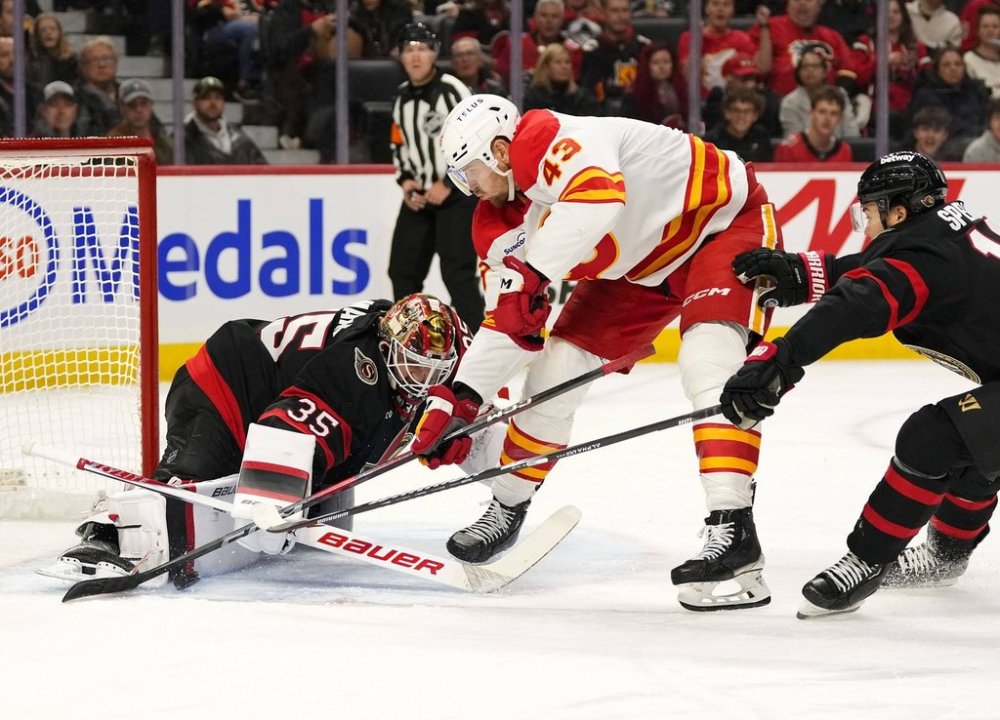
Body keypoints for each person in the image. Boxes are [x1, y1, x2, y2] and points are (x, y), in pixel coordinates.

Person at [416, 93, 785, 612]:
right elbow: (510, 321)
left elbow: (599, 198)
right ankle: (508, 504)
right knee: (553, 369)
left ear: (500, 150)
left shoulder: (544, 138)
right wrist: (458, 397)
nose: (467, 187)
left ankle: (733, 527)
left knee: (708, 363)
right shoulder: (498, 226)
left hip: (721, 229)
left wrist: (536, 272)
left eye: (468, 171)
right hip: (638, 271)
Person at [719, 151, 1000, 618]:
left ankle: (868, 559)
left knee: (931, 437)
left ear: (899, 211)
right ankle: (946, 557)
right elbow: (878, 266)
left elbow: (862, 300)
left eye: (868, 212)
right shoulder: (944, 229)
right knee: (973, 438)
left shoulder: (921, 256)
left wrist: (783, 359)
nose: (865, 223)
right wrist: (803, 274)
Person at [51, 294, 475, 585]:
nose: (425, 380)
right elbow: (284, 427)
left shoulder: (430, 344)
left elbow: (477, 375)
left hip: (271, 388)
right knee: (185, 488)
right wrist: (268, 501)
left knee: (328, 508)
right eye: (415, 367)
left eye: (436, 371)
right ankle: (105, 536)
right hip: (225, 388)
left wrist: (458, 414)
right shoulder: (353, 372)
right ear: (386, 347)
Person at [388, 23, 484, 333]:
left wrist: (449, 180)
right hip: (420, 197)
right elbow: (398, 143)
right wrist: (406, 181)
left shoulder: (452, 89)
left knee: (457, 273)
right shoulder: (401, 97)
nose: (415, 56)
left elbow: (475, 137)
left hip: (455, 195)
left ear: (434, 54)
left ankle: (476, 345)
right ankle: (409, 339)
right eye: (409, 50)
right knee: (401, 271)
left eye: (422, 49)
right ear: (401, 57)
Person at [677, 0, 769, 100]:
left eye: (726, 5)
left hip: (734, 101)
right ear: (707, 9)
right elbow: (690, 79)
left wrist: (764, 27)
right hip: (702, 102)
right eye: (715, 4)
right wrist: (698, 39)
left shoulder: (741, 38)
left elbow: (763, 68)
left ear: (732, 11)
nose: (720, 9)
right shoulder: (689, 37)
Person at [908, 47, 990, 154]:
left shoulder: (977, 91)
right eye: (946, 65)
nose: (953, 68)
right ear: (937, 69)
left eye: (958, 64)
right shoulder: (926, 94)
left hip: (977, 141)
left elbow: (986, 119)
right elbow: (937, 124)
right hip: (944, 144)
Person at [490, 0, 582, 87]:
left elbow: (573, 85)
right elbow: (500, 75)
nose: (549, 21)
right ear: (536, 18)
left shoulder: (572, 50)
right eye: (544, 15)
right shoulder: (516, 45)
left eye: (554, 16)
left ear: (562, 20)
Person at [579, 0, 649, 113]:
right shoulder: (593, 50)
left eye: (624, 10)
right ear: (603, 14)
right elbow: (587, 92)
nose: (620, 16)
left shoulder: (643, 47)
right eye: (614, 11)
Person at [778, 43, 861, 138]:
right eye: (805, 66)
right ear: (798, 72)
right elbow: (793, 139)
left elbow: (852, 133)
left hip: (839, 149)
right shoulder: (789, 103)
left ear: (825, 71)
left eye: (815, 66)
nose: (810, 70)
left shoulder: (840, 94)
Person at [184, 75, 269, 165]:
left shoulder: (238, 138)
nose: (213, 103)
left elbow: (263, 170)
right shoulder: (183, 139)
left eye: (218, 97)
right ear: (195, 103)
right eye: (206, 98)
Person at [774, 86, 854, 162]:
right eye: (822, 112)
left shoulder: (844, 151)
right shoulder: (789, 148)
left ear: (840, 118)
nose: (827, 118)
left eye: (833, 113)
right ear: (812, 113)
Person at [107, 78, 173, 165]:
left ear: (151, 105)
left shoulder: (162, 139)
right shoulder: (114, 142)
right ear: (122, 108)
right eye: (132, 105)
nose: (139, 109)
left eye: (143, 103)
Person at [523, 42, 601, 115]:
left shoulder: (582, 98)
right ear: (546, 67)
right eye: (558, 62)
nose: (564, 67)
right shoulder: (534, 97)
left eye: (567, 62)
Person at [620, 43, 686, 128]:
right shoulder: (634, 95)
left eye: (666, 62)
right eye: (656, 63)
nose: (662, 67)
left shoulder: (682, 91)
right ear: (647, 66)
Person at [703, 86, 773, 162]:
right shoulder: (711, 141)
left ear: (755, 115)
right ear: (727, 113)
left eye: (747, 111)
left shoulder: (761, 137)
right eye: (736, 110)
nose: (741, 116)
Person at [74, 36, 121, 135]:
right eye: (94, 60)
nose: (102, 65)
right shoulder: (72, 99)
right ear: (82, 67)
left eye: (107, 59)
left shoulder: (127, 95)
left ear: (116, 64)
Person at [27, 12, 78, 87]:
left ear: (59, 33)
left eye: (53, 29)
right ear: (37, 35)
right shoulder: (31, 58)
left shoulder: (71, 59)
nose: (48, 33)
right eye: (43, 30)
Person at [963, 6, 1000, 99]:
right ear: (978, 30)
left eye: (995, 26)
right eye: (985, 26)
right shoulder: (969, 59)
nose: (990, 30)